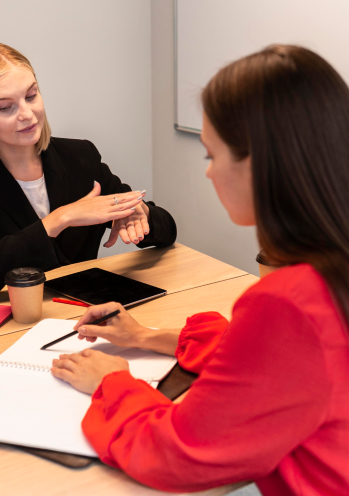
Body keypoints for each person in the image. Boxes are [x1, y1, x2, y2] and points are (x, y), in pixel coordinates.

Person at [51, 45, 349, 496]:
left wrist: (110, 382)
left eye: (211, 155)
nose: (208, 173)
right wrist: (146, 336)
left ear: (259, 164)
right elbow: (272, 363)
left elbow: (177, 453)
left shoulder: (289, 301)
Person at [0, 42, 176, 303]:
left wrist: (141, 213)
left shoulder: (80, 156)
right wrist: (59, 219)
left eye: (31, 96)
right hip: (19, 316)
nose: (27, 114)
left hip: (88, 309)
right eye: (5, 107)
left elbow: (167, 231)